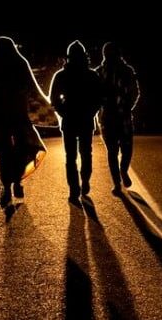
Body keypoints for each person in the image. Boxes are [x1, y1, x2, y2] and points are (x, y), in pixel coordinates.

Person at [0, 36, 56, 207]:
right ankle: (15, 183)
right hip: (17, 118)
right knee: (21, 150)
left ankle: (7, 187)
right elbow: (31, 90)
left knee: (5, 154)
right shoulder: (19, 63)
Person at [49, 40, 102, 203]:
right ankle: (84, 181)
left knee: (70, 156)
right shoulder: (92, 75)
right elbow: (99, 98)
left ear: (69, 57)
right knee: (86, 154)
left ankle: (74, 188)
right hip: (85, 120)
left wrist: (63, 112)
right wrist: (91, 112)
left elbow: (53, 99)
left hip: (70, 120)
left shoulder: (61, 75)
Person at [96, 42, 140, 196]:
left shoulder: (127, 71)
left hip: (122, 116)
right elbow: (94, 95)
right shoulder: (99, 73)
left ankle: (123, 170)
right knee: (113, 151)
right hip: (107, 117)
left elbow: (135, 92)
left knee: (126, 149)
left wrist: (128, 106)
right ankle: (116, 183)